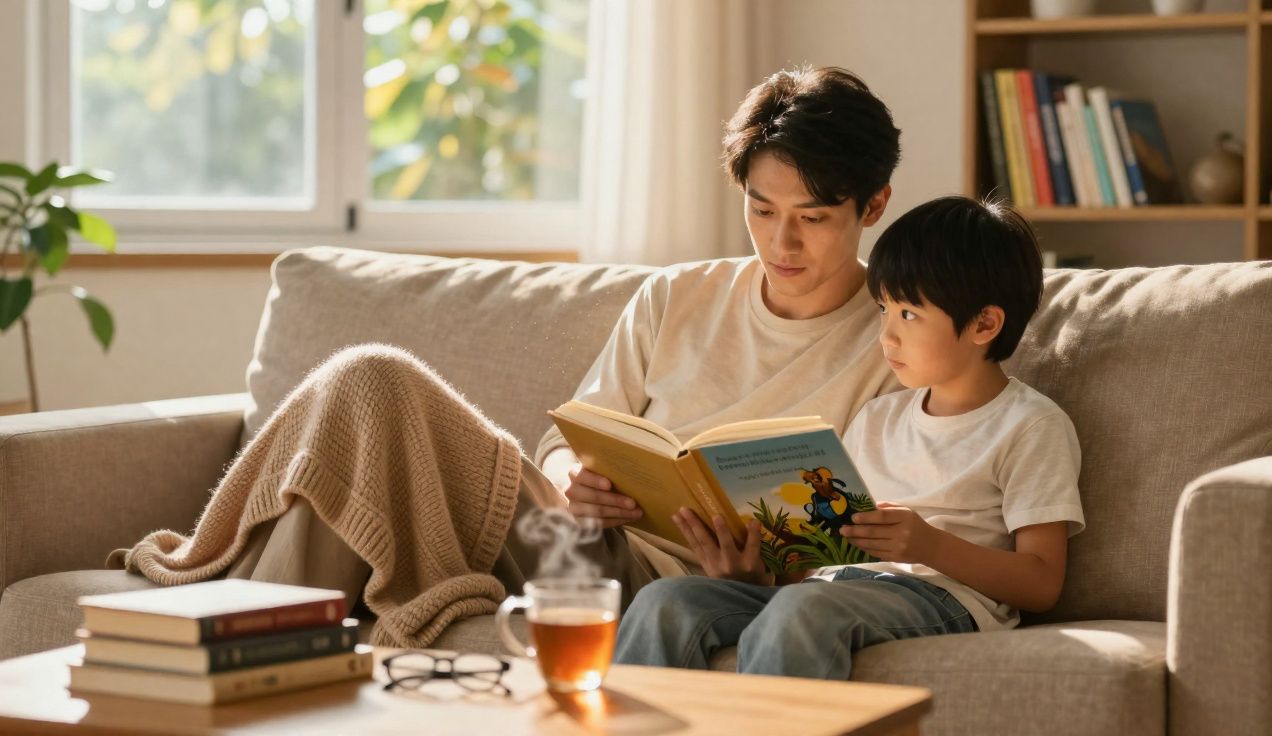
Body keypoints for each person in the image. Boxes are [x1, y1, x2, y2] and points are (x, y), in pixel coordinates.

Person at [111, 66, 907, 642]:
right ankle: (258, 652)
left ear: (873, 205)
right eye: (761, 209)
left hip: (688, 590)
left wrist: (758, 577)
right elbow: (565, 440)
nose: (781, 240)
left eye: (813, 216)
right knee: (368, 380)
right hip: (579, 541)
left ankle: (231, 650)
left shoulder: (899, 340)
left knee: (366, 407)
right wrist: (574, 478)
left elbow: (889, 537)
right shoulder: (681, 296)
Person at [613, 196, 1086, 680]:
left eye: (909, 315)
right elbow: (820, 560)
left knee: (804, 610)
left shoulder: (1030, 424)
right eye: (884, 308)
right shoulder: (877, 417)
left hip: (939, 596)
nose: (887, 335)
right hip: (831, 587)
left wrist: (930, 546)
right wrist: (752, 575)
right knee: (665, 601)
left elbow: (1042, 581)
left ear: (985, 324)